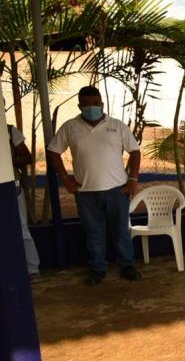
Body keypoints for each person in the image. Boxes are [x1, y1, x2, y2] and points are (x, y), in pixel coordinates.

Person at [47, 86, 141, 286]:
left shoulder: (117, 126)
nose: (92, 107)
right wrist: (65, 177)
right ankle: (98, 268)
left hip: (118, 189)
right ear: (80, 105)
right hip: (85, 191)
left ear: (102, 104)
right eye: (87, 104)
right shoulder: (70, 127)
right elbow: (53, 151)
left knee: (121, 231)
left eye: (95, 103)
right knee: (94, 232)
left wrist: (133, 180)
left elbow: (135, 151)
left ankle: (127, 265)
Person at [8, 123, 39, 277]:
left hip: (11, 185)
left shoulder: (9, 131)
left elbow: (27, 157)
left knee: (21, 226)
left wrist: (6, 162)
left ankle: (32, 268)